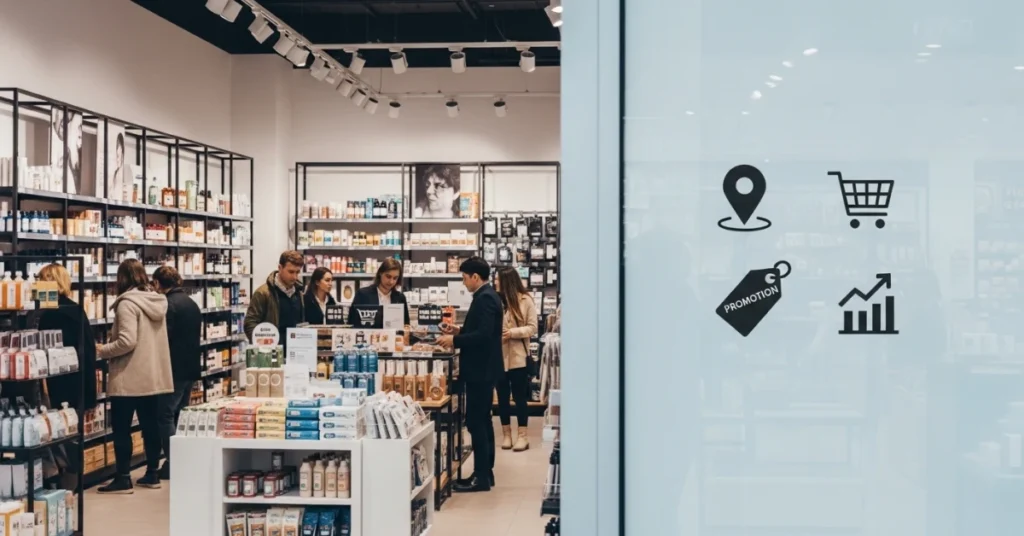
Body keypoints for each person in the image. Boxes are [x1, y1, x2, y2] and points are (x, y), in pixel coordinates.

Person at [95, 259, 173, 494]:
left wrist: (102, 350)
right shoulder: (156, 300)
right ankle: (152, 474)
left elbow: (127, 341)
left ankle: (123, 478)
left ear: (121, 278)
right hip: (152, 377)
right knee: (150, 426)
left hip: (129, 377)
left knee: (121, 428)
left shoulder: (127, 304)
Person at [437, 257, 503, 493]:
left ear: (475, 276)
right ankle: (485, 473)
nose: (463, 283)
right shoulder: (487, 296)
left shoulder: (485, 298)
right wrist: (458, 330)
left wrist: (454, 340)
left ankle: (481, 477)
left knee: (476, 422)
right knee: (483, 420)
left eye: (465, 278)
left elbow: (483, 336)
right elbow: (481, 330)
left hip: (480, 370)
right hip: (484, 369)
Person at [151, 266, 201, 480]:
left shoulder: (168, 304)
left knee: (165, 415)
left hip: (173, 370)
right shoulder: (191, 303)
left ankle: (174, 461)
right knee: (181, 414)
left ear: (157, 283)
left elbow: (165, 338)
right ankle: (184, 458)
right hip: (191, 367)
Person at [37, 264, 98, 412]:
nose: (37, 285)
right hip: (75, 383)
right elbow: (89, 351)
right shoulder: (75, 309)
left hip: (61, 384)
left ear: (51, 283)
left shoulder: (49, 313)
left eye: (41, 281)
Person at [494, 267, 538, 452]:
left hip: (518, 357)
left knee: (520, 398)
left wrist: (512, 333)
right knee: (502, 398)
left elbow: (533, 327)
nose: (495, 282)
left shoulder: (525, 300)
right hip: (499, 357)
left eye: (498, 279)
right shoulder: (496, 300)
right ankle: (506, 435)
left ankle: (523, 436)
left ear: (506, 281)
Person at [244, 250, 305, 341]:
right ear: (280, 268)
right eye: (291, 272)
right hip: (271, 348)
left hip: (295, 348)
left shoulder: (299, 293)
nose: (295, 277)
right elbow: (250, 323)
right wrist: (264, 343)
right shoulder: (263, 293)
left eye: (297, 272)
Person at [347, 258, 410, 326]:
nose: (391, 281)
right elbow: (351, 323)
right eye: (388, 276)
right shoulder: (362, 294)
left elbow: (406, 325)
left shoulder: (400, 298)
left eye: (395, 278)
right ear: (380, 273)